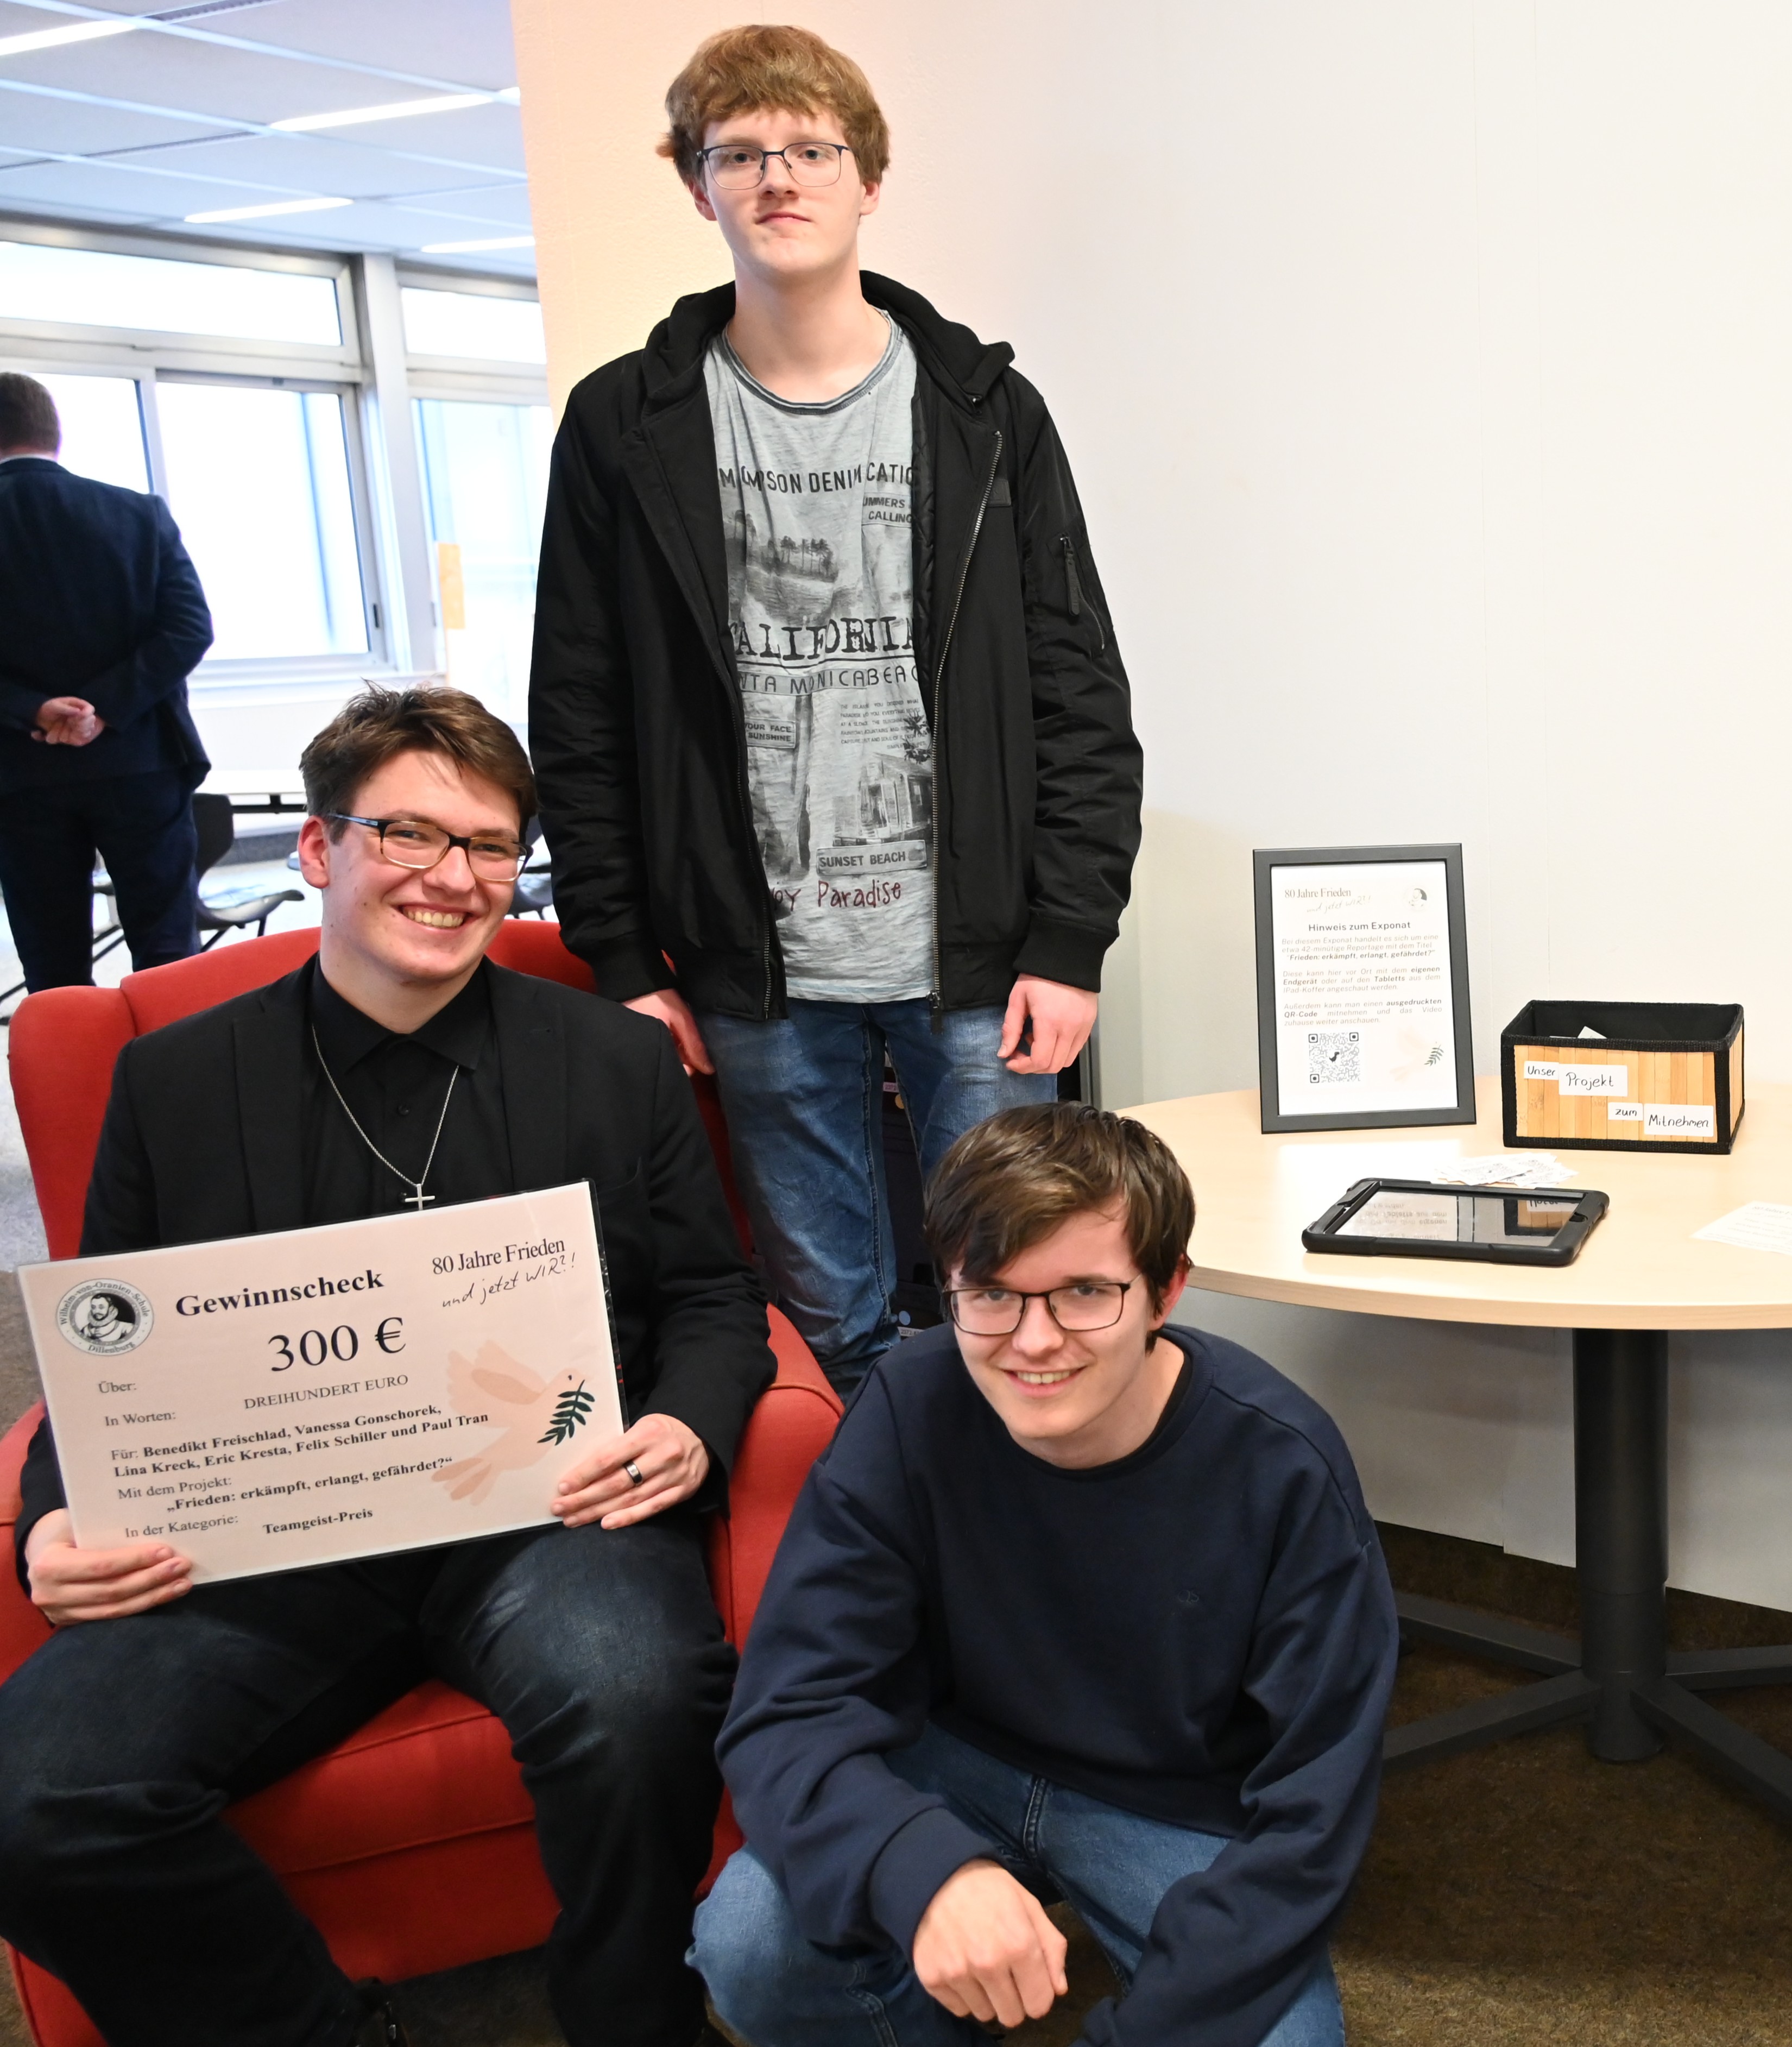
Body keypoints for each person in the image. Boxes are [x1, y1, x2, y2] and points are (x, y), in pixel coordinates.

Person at [0, 686, 775, 2047]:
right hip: (266, 1542)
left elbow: (713, 1294)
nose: (453, 876)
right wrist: (51, 1521)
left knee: (637, 1696)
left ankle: (631, 2018)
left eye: (490, 844)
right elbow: (108, 1343)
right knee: (32, 1795)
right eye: (408, 833)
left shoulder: (616, 1059)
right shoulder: (171, 1081)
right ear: (318, 847)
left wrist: (689, 1425)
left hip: (547, 1517)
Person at [531, 24, 1144, 1402]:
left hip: (980, 959)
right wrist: (621, 953)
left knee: (1016, 1293)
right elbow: (579, 708)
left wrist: (1069, 935)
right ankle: (886, 1528)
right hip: (750, 962)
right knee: (831, 1322)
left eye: (810, 149)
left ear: (868, 178)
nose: (778, 177)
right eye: (738, 153)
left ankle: (1007, 1524)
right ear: (697, 185)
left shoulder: (987, 413)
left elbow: (1078, 691)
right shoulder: (625, 424)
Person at [689, 1102, 1395, 2046]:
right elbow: (785, 1708)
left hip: (1175, 1804)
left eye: (1085, 1292)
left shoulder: (1281, 1463)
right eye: (992, 1294)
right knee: (748, 1941)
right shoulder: (911, 1404)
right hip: (950, 1757)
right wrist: (924, 1868)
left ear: (1165, 1290)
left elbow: (1315, 1813)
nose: (1032, 1339)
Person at [0, 371, 213, 990]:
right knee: (169, 953)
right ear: (54, 433)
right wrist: (102, 708)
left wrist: (37, 710)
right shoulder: (138, 514)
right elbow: (189, 628)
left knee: (53, 963)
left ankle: (70, 1057)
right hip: (142, 758)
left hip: (19, 773)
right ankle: (176, 1056)